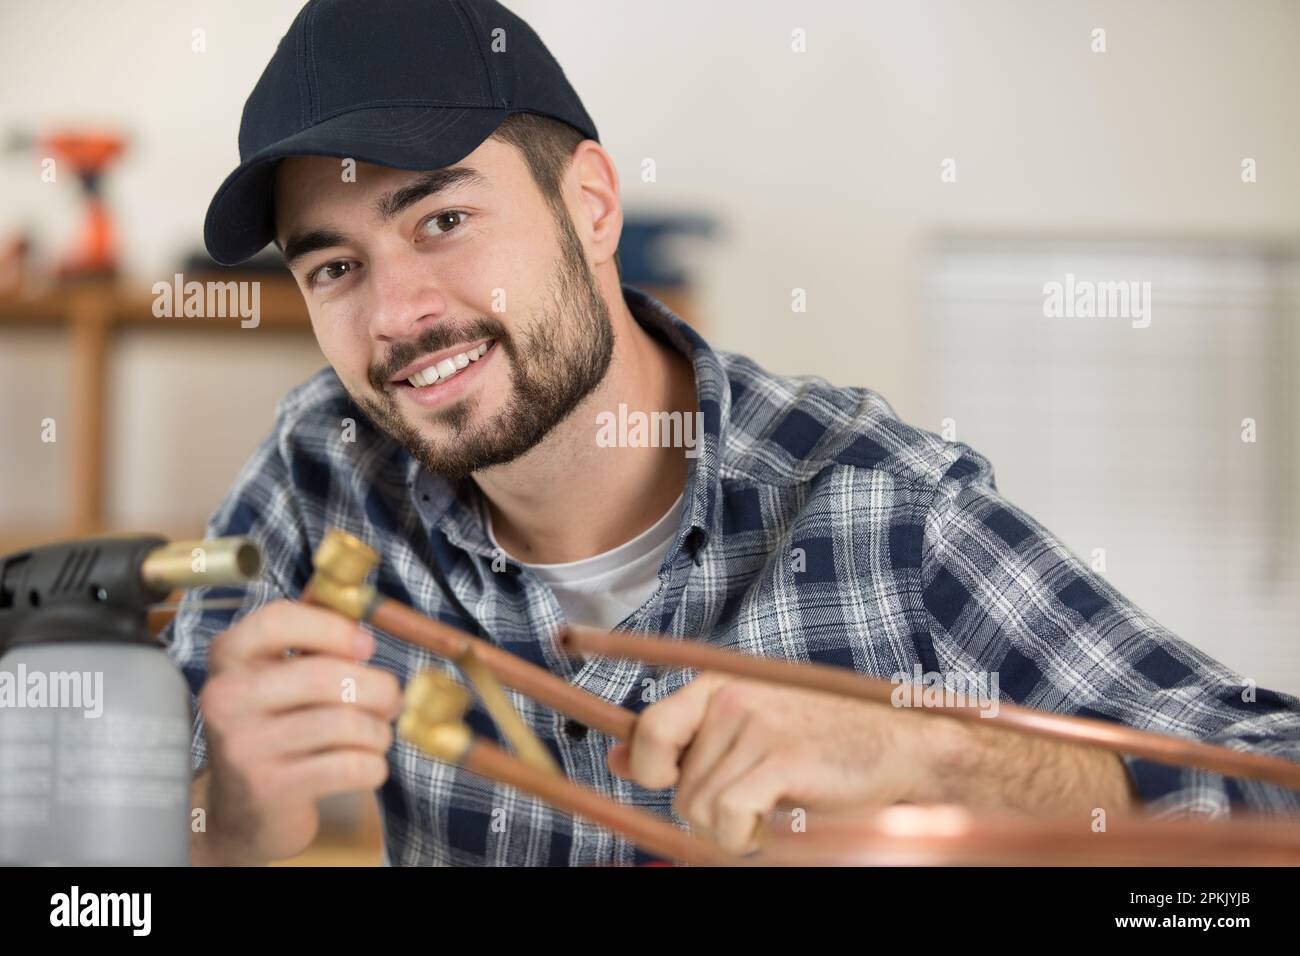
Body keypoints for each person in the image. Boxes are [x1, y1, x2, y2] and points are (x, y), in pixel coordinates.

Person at [172, 0, 1300, 865]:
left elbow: (1269, 783)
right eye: (334, 266)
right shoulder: (323, 463)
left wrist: (941, 754)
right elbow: (119, 815)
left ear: (593, 207)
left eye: (445, 219)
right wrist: (220, 807)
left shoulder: (882, 505)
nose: (396, 313)